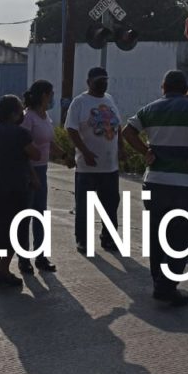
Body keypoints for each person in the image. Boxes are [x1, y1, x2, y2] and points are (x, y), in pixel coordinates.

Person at [123, 70, 188, 307]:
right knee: (181, 237)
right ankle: (167, 284)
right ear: (185, 89)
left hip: (154, 180)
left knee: (157, 234)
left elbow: (127, 131)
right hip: (182, 183)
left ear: (163, 87)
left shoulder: (150, 109)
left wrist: (146, 152)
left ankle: (158, 281)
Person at [0, 95, 40, 287]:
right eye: (21, 110)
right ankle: (4, 271)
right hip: (13, 187)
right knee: (14, 230)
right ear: (14, 114)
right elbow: (34, 153)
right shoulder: (19, 133)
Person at [65, 67, 123, 253]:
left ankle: (109, 238)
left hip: (109, 167)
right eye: (99, 80)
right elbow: (71, 129)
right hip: (87, 167)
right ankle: (83, 240)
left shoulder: (110, 99)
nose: (103, 84)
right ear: (89, 82)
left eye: (105, 80)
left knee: (111, 204)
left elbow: (118, 125)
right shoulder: (80, 102)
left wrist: (121, 147)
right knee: (84, 206)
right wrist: (85, 152)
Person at [19, 80, 71, 274]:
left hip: (42, 171)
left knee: (40, 215)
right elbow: (22, 148)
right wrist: (32, 175)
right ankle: (23, 259)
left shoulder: (45, 117)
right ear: (43, 95)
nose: (52, 98)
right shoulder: (28, 118)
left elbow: (48, 143)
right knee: (26, 216)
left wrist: (65, 156)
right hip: (27, 172)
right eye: (51, 94)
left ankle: (40, 256)